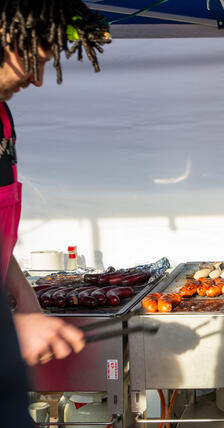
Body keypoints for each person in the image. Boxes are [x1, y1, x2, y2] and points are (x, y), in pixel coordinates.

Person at [0, 1, 110, 425]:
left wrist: (25, 297)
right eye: (35, 60)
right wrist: (12, 333)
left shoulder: (3, 119)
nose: (39, 80)